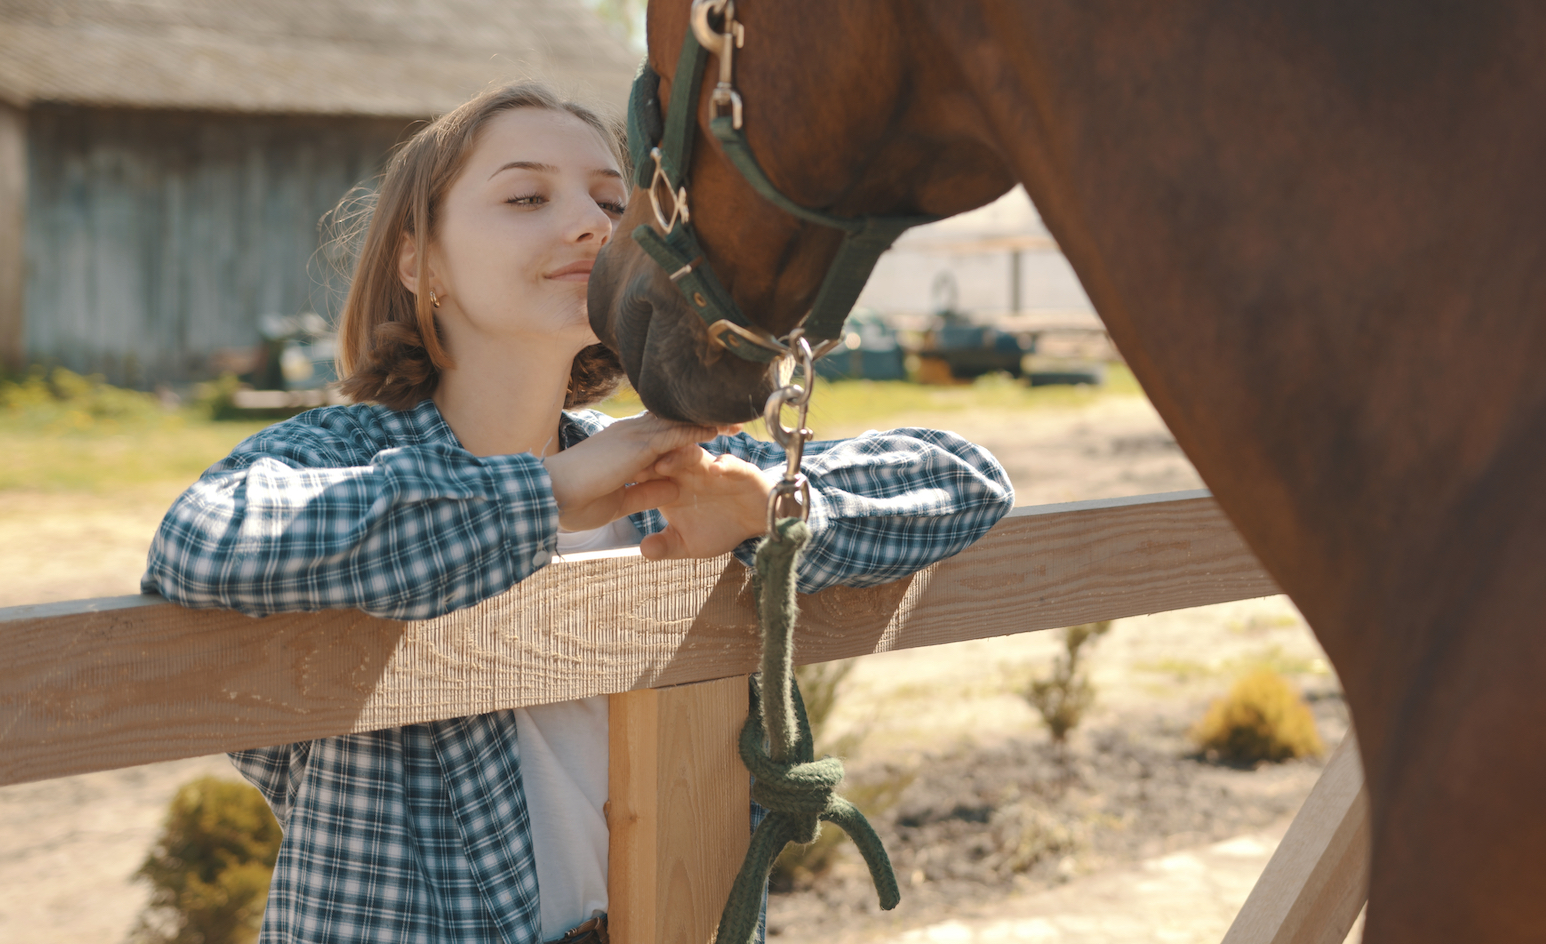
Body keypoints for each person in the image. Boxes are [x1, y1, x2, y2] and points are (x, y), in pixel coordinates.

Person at [142, 82, 1015, 944]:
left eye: (611, 200)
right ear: (421, 263)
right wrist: (550, 493)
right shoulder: (341, 453)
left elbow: (965, 479)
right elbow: (203, 543)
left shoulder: (663, 464)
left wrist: (768, 513)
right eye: (526, 196)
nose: (593, 225)